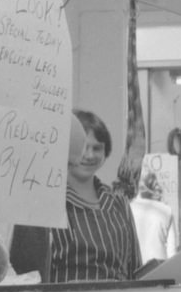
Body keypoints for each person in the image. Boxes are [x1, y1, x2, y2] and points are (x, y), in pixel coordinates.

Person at [9, 111, 142, 283]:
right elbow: (32, 273)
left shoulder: (118, 202)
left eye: (97, 148)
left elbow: (136, 268)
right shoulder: (46, 202)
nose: (89, 155)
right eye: (83, 147)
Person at [130, 170, 176, 263]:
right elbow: (172, 252)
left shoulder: (127, 208)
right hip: (159, 269)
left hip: (133, 270)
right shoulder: (166, 211)